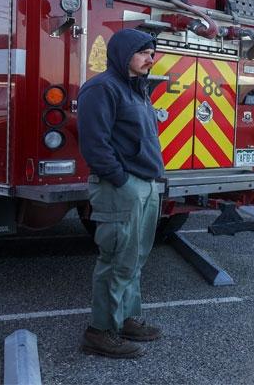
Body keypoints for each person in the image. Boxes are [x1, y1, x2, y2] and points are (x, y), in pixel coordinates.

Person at [77, 28, 165, 358]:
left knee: (135, 259)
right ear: (123, 53)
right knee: (116, 260)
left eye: (151, 53)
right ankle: (100, 331)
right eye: (143, 52)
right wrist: (121, 180)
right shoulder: (101, 89)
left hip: (144, 185)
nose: (150, 58)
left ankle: (125, 319)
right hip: (121, 188)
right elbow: (95, 145)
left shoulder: (138, 90)